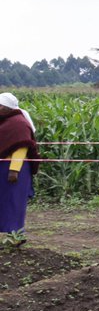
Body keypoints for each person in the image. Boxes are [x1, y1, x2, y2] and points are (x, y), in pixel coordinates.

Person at [0, 92, 39, 238]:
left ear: (7, 108)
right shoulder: (8, 121)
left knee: (14, 203)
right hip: (4, 169)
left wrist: (14, 170)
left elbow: (21, 147)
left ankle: (16, 237)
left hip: (13, 171)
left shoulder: (18, 123)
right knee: (5, 202)